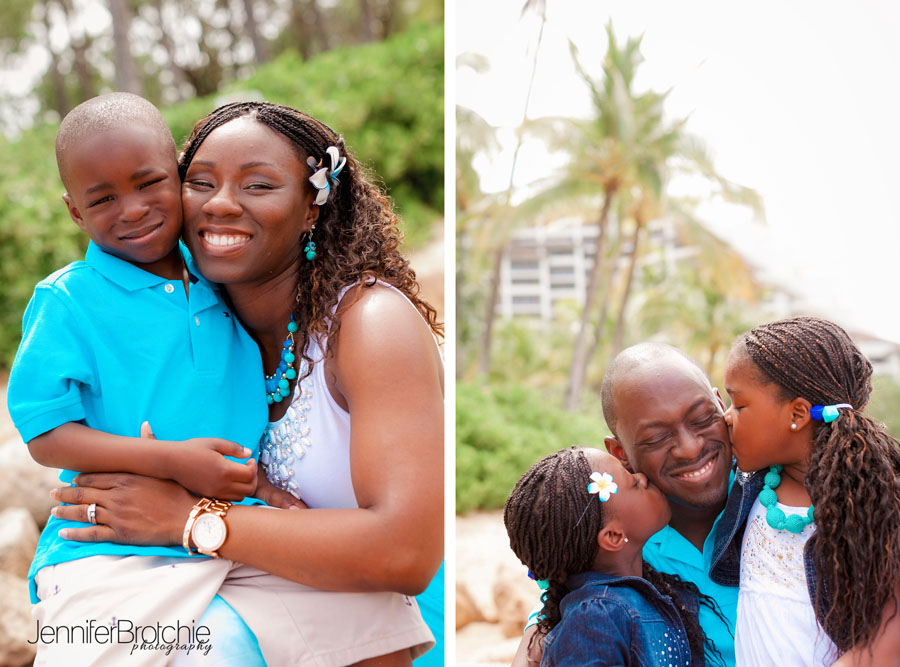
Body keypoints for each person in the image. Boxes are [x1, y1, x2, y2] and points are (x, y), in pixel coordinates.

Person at [49, 101, 445, 665]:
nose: (221, 204)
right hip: (241, 592)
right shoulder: (187, 319)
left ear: (312, 206)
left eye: (258, 184)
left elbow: (406, 553)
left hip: (371, 634)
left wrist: (187, 518)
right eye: (201, 182)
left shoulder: (369, 324)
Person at [6, 92, 296, 665]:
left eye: (149, 183)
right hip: (112, 549)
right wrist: (173, 461)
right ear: (74, 212)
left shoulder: (220, 274)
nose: (133, 209)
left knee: (369, 619)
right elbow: (45, 434)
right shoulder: (68, 300)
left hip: (229, 533)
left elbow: (228, 414)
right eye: (104, 198)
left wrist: (262, 490)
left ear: (181, 176)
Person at [513, 343, 738, 667]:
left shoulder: (772, 496)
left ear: (721, 405)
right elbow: (566, 599)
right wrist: (534, 633)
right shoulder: (610, 542)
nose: (690, 448)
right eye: (657, 438)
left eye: (703, 418)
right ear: (620, 453)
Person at [719, 317, 900, 665]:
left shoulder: (869, 503)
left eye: (739, 405)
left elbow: (889, 637)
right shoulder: (751, 487)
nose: (727, 417)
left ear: (798, 413)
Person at [505, 445, 721, 666]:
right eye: (635, 484)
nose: (643, 478)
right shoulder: (595, 618)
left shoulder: (636, 594)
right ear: (614, 536)